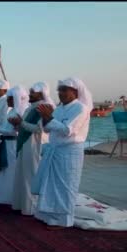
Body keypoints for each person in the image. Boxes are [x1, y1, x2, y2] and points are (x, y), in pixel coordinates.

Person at [31, 77, 92, 229]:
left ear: (75, 92)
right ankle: (48, 215)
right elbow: (47, 129)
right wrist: (46, 118)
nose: (61, 93)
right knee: (50, 184)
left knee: (65, 186)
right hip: (54, 150)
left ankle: (63, 221)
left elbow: (68, 130)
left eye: (65, 90)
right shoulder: (58, 109)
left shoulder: (80, 108)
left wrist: (49, 117)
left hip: (69, 152)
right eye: (60, 90)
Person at [9, 82, 54, 215]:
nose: (29, 94)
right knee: (21, 175)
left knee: (30, 176)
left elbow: (39, 129)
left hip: (34, 146)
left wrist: (21, 123)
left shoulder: (43, 108)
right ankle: (21, 205)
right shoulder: (31, 108)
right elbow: (25, 125)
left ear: (41, 93)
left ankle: (30, 209)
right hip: (24, 144)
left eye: (32, 92)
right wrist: (17, 125)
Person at [0, 85, 28, 205]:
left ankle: (9, 198)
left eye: (10, 99)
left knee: (10, 171)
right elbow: (6, 127)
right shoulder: (11, 111)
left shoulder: (21, 111)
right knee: (3, 171)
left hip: (12, 145)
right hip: (5, 143)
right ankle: (0, 197)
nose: (8, 101)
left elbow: (16, 131)